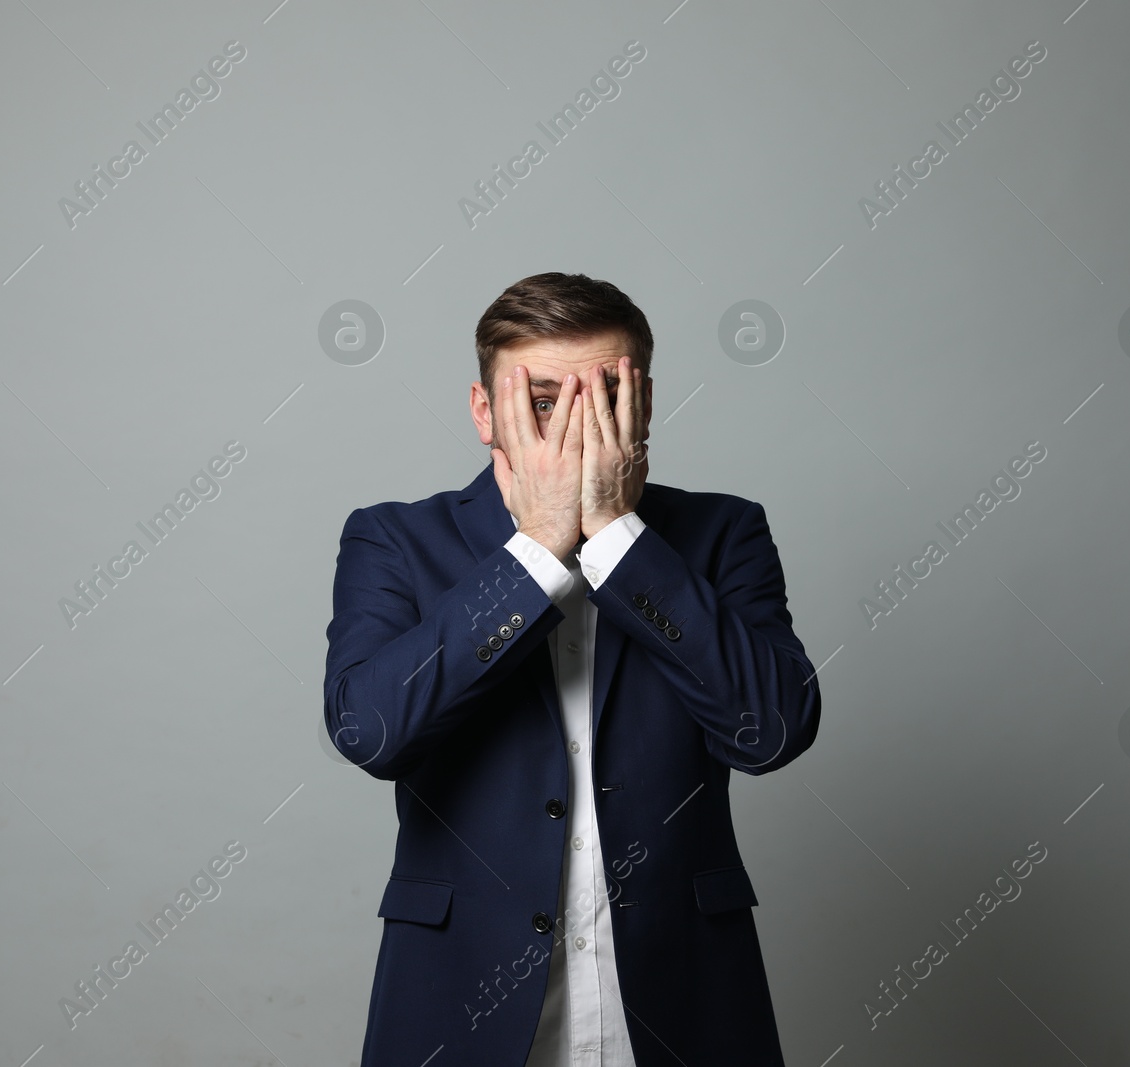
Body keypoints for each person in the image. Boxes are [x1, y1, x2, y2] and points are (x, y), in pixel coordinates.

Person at [324, 272, 821, 1065]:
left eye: (607, 394)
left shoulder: (724, 532)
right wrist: (539, 549)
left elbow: (773, 731)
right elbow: (369, 731)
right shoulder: (393, 540)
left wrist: (621, 541)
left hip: (681, 995)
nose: (577, 428)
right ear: (486, 413)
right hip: (462, 998)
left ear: (646, 404)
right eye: (545, 399)